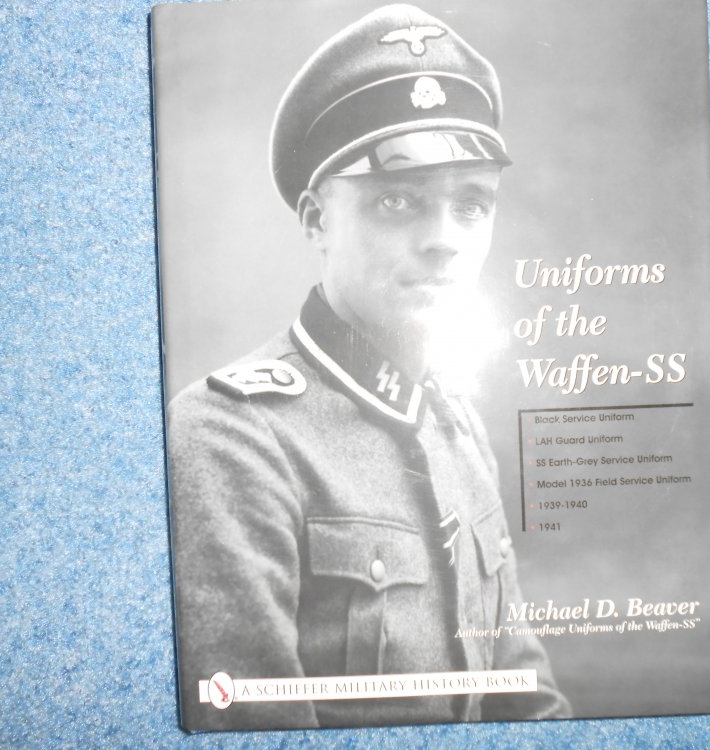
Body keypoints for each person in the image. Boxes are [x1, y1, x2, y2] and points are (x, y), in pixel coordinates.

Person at [167, 3, 571, 731]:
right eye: (397, 200)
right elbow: (249, 729)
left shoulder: (455, 425)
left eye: (472, 204)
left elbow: (526, 699)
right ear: (317, 219)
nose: (444, 239)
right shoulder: (231, 439)